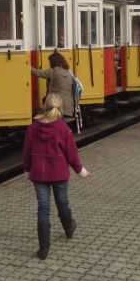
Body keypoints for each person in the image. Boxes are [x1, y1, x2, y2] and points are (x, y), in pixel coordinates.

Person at [23, 93, 91, 260]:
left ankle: (43, 249)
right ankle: (69, 227)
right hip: (59, 173)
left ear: (44, 107)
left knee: (43, 208)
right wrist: (81, 171)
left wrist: (28, 170)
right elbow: (72, 154)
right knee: (62, 203)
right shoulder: (63, 129)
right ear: (60, 109)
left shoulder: (33, 128)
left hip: (39, 174)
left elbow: (26, 152)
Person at [31, 51, 74, 117]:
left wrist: (26, 65)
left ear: (53, 62)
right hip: (68, 108)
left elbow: (37, 73)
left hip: (56, 106)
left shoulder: (53, 71)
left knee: (40, 117)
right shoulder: (68, 73)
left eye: (50, 61)